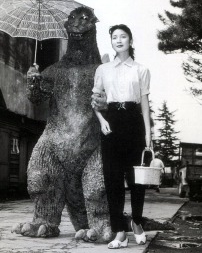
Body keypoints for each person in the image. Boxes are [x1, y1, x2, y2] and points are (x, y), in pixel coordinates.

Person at [91, 24, 151, 249]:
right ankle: (120, 232)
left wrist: (148, 134)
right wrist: (102, 120)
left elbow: (145, 104)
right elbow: (95, 101)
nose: (118, 40)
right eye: (114, 37)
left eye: (123, 36)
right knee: (112, 179)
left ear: (130, 40)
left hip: (134, 123)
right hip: (111, 123)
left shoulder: (141, 70)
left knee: (137, 179)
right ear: (111, 42)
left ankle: (136, 222)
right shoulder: (103, 69)